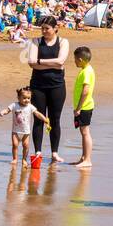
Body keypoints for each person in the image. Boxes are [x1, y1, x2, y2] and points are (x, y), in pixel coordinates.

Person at [27, 17, 70, 165]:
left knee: (55, 119)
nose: (44, 31)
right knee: (39, 119)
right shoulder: (36, 42)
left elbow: (61, 62)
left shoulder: (63, 42)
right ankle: (38, 151)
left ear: (55, 28)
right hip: (38, 85)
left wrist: (40, 62)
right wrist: (50, 64)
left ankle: (54, 153)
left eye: (47, 28)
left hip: (57, 86)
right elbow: (31, 63)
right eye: (42, 28)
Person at [0, 86, 46, 166]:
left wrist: (44, 119)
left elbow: (37, 113)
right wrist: (3, 112)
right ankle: (15, 159)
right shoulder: (14, 105)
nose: (26, 100)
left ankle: (24, 159)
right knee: (15, 145)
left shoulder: (30, 107)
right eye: (24, 98)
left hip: (26, 132)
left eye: (28, 98)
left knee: (26, 145)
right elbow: (7, 110)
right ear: (18, 97)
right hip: (15, 131)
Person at [71, 45, 96, 168]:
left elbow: (85, 91)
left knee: (85, 132)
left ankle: (88, 159)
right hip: (83, 106)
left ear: (80, 59)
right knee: (83, 132)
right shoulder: (87, 69)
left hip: (85, 107)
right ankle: (84, 157)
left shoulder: (86, 71)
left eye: (75, 59)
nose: (74, 61)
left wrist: (79, 108)